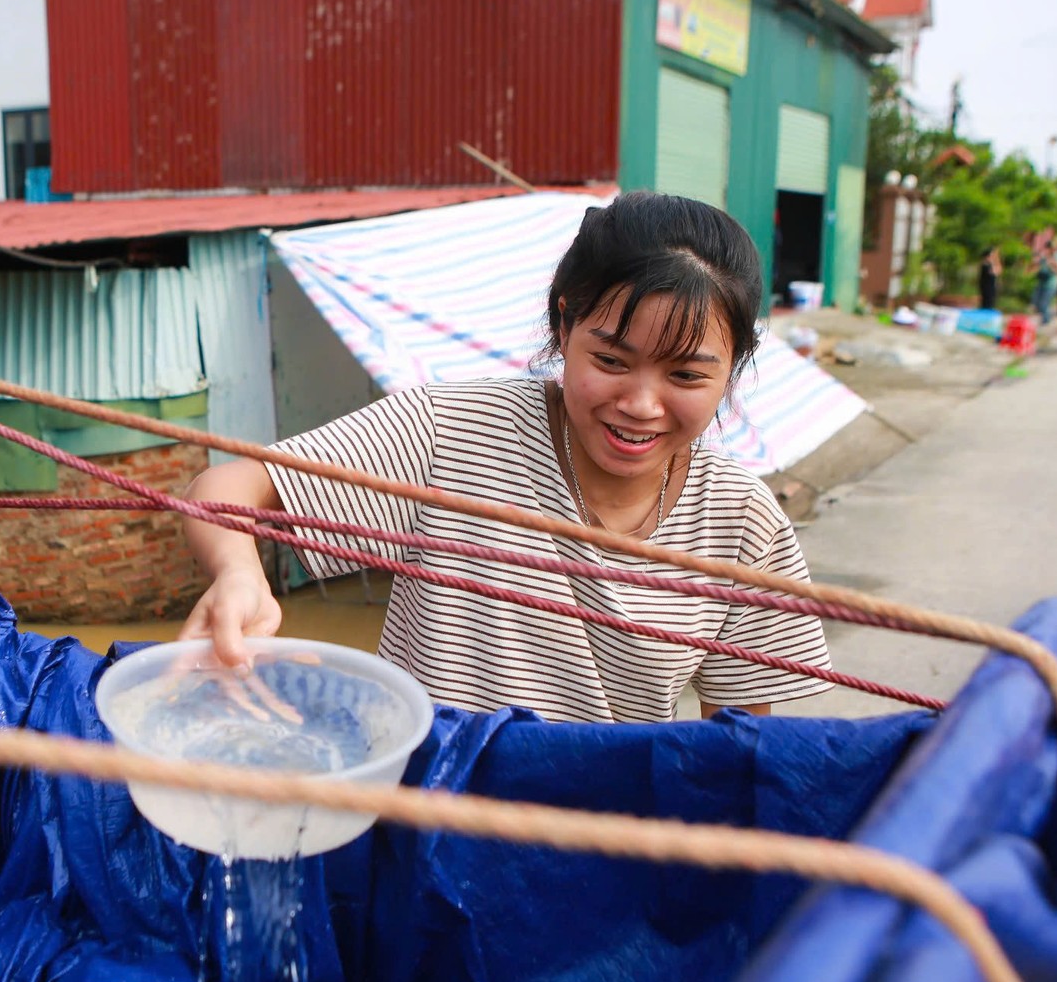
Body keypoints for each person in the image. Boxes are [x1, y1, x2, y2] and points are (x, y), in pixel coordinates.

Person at [176, 192, 833, 725]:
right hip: (426, 827)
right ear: (563, 327)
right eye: (610, 360)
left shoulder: (743, 523)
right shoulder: (448, 432)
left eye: (686, 376)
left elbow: (741, 747)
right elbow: (228, 483)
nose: (641, 404)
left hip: (600, 853)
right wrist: (238, 573)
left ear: (734, 371)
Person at [1031, 244, 1057, 329]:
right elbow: (1033, 268)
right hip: (1041, 283)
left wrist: (1050, 264)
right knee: (1035, 302)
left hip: (1051, 284)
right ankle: (1049, 316)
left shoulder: (1055, 258)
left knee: (1044, 304)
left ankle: (1046, 320)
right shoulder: (1042, 259)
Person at [978, 246, 1002, 311]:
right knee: (987, 303)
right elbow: (995, 272)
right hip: (986, 287)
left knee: (991, 302)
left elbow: (999, 271)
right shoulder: (985, 265)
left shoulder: (989, 265)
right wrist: (995, 260)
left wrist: (996, 259)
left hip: (991, 287)